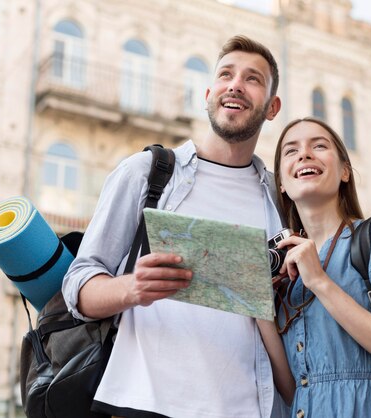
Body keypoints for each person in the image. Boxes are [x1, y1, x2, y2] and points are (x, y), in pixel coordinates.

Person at [62, 35, 294, 418]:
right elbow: (78, 284)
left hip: (246, 410)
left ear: (272, 107)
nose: (235, 84)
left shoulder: (280, 199)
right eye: (225, 74)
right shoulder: (149, 173)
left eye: (252, 78)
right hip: (139, 403)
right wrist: (132, 287)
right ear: (209, 93)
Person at [270, 117, 371, 417]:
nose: (304, 154)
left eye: (319, 145)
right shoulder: (286, 269)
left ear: (344, 171)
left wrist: (320, 281)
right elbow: (293, 389)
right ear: (282, 186)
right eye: (291, 150)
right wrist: (255, 301)